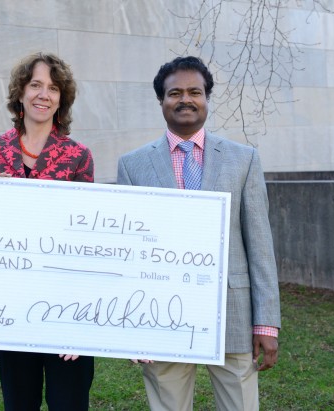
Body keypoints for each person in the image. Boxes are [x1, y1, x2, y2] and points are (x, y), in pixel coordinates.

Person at [117, 56, 281, 410]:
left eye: (195, 91)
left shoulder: (244, 159)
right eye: (174, 93)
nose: (185, 99)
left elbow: (260, 245)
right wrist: (131, 329)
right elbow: (127, 253)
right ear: (161, 101)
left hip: (233, 313)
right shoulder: (133, 165)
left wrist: (267, 323)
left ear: (207, 98)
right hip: (160, 316)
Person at [0, 52, 94, 410]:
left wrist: (80, 318)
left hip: (65, 302)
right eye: (36, 85)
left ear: (62, 98)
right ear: (21, 93)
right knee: (18, 403)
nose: (44, 94)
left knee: (68, 402)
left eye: (53, 88)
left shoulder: (78, 156)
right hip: (10, 305)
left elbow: (88, 239)